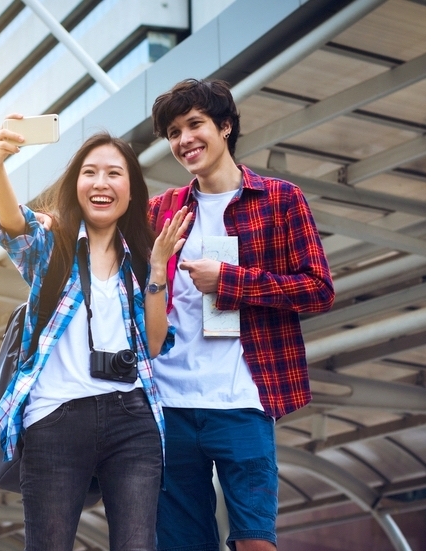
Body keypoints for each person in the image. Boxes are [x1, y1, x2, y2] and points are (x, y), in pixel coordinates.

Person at [148, 78, 335, 551]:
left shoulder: (280, 198)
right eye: (173, 132)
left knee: (256, 543)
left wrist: (231, 281)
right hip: (169, 404)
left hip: (243, 403)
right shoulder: (161, 211)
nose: (184, 139)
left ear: (226, 126)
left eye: (195, 125)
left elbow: (318, 289)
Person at [0, 119, 190, 551]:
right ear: (76, 183)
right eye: (90, 172)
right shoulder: (53, 246)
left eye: (115, 173)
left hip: (132, 420)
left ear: (131, 190)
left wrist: (157, 271)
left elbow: (154, 345)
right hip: (55, 417)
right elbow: (13, 223)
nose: (102, 183)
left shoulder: (140, 259)